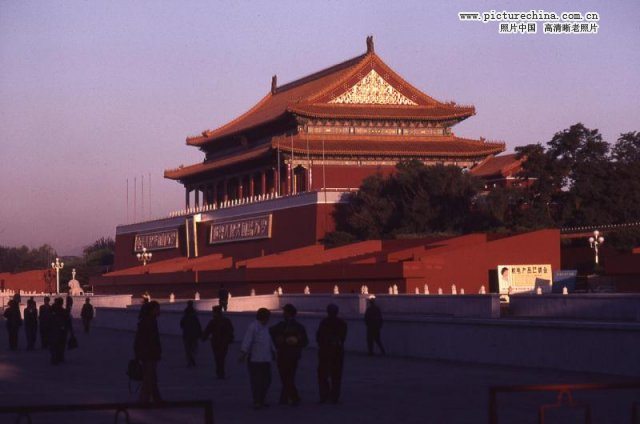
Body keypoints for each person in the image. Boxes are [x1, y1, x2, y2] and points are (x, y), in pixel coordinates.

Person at [270, 303, 308, 406]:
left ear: (288, 313)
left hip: (290, 354)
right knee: (286, 376)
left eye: (285, 312)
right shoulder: (289, 326)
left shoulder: (295, 327)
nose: (283, 313)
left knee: (287, 376)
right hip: (285, 354)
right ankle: (293, 396)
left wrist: (296, 340)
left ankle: (285, 398)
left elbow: (304, 341)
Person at [239, 308, 274, 410]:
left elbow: (269, 341)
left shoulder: (266, 327)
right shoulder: (253, 327)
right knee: (257, 381)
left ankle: (262, 399)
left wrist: (273, 352)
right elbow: (247, 341)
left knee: (267, 380)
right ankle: (257, 400)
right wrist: (243, 353)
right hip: (255, 359)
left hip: (266, 359)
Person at [316, 304, 347, 404]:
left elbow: (318, 337)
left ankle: (325, 395)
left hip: (325, 352)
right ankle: (334, 396)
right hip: (337, 353)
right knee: (336, 376)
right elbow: (342, 338)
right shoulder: (342, 323)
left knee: (323, 375)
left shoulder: (324, 322)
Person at [134, 300, 163, 403]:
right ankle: (143, 400)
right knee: (149, 378)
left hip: (148, 353)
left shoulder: (148, 320)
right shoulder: (149, 322)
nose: (159, 311)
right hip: (149, 354)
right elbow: (148, 340)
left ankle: (157, 398)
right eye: (157, 309)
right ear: (152, 310)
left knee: (152, 377)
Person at [202, 305, 234, 379]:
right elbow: (231, 330)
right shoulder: (226, 321)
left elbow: (207, 331)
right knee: (222, 357)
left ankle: (219, 371)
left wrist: (203, 337)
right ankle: (221, 371)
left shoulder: (213, 321)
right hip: (223, 343)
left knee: (217, 357)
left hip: (216, 343)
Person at [180, 300, 202, 367]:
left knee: (188, 348)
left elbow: (181, 324)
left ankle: (190, 360)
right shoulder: (194, 316)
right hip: (193, 334)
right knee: (193, 348)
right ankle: (192, 358)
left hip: (186, 334)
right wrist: (200, 333)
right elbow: (198, 325)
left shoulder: (185, 314)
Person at [49, 297, 71, 364]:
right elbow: (67, 320)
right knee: (59, 345)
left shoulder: (54, 310)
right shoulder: (60, 310)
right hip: (60, 330)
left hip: (56, 330)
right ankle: (58, 357)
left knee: (56, 345)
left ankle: (56, 357)